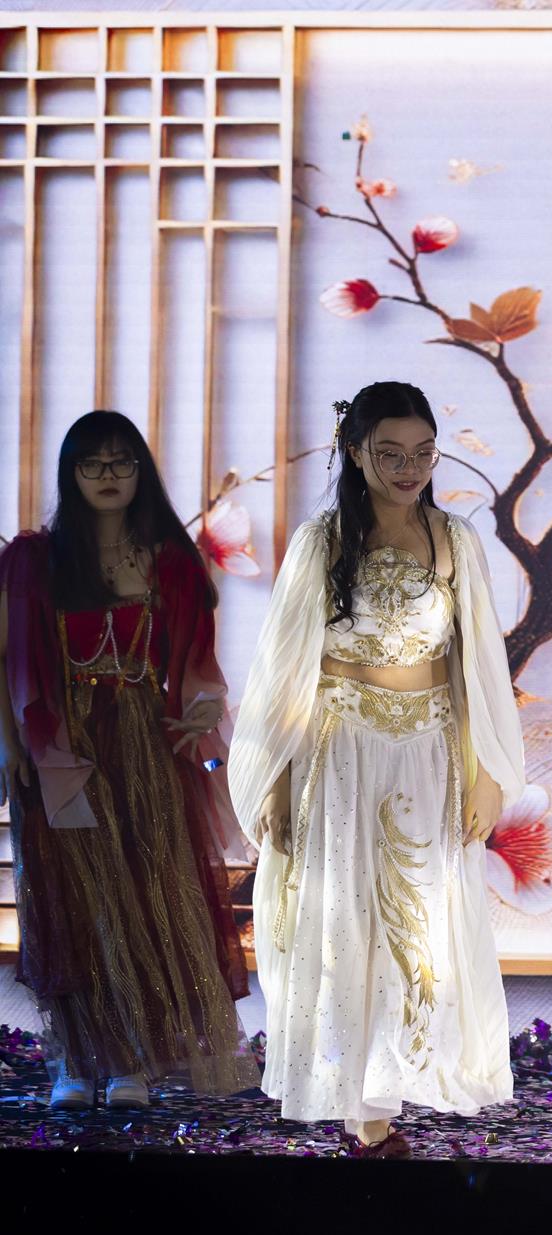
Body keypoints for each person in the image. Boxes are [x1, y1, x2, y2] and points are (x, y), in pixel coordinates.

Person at [230, 381, 525, 1157]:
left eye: (423, 453)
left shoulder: (455, 540)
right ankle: (365, 1111)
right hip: (339, 751)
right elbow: (285, 673)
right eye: (390, 454)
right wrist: (278, 780)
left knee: (419, 925)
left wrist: (486, 773)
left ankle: (392, 1085)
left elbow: (475, 668)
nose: (409, 469)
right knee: (344, 921)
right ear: (355, 453)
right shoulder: (321, 542)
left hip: (427, 753)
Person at [0, 411, 252, 1110]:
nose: (107, 476)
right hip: (60, 745)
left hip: (144, 743)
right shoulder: (34, 560)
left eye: (121, 462)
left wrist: (200, 712)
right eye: (92, 463)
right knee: (74, 897)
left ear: (141, 470)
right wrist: (11, 746)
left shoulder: (169, 559)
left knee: (145, 894)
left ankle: (131, 1062)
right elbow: (3, 659)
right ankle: (75, 1063)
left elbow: (198, 664)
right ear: (71, 474)